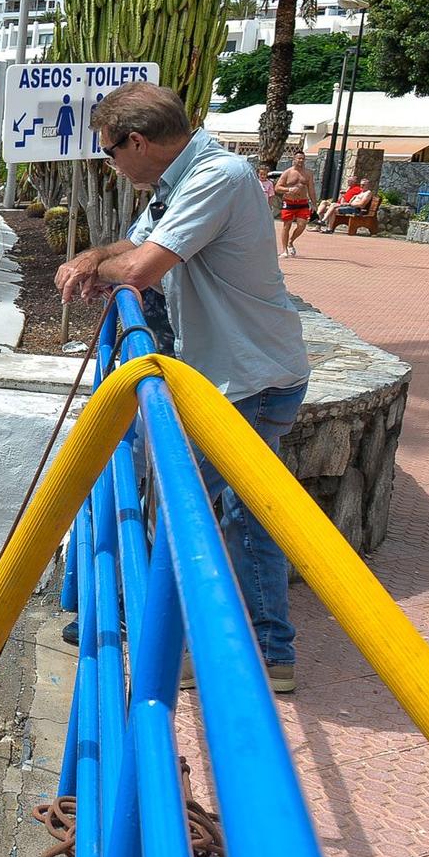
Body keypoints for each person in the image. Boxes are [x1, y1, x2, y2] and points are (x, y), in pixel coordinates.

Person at [55, 82, 311, 692]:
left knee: (183, 511)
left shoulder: (217, 177)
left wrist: (104, 269)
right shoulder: (183, 176)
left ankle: (179, 648)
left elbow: (143, 266)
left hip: (248, 380)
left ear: (137, 141)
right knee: (247, 517)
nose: (111, 164)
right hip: (252, 373)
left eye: (111, 153)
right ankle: (271, 653)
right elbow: (135, 243)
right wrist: (95, 258)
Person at [274, 151, 312, 257]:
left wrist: (314, 203)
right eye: (299, 158)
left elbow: (311, 190)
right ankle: (284, 250)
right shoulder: (287, 172)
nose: (301, 160)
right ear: (294, 159)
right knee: (287, 226)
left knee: (302, 225)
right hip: (289, 202)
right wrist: (289, 189)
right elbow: (277, 187)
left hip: (303, 202)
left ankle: (291, 241)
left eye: (303, 158)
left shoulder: (308, 173)